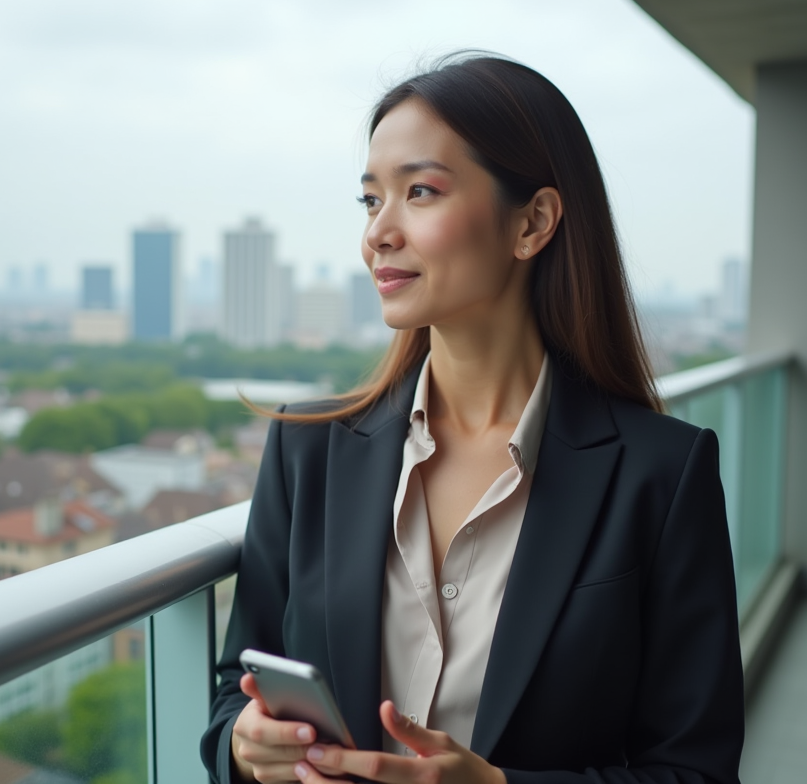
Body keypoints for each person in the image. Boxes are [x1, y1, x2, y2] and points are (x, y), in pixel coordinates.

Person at [201, 53, 744, 784]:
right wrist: (245, 745)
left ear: (533, 222)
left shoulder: (663, 475)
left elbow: (696, 771)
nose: (378, 233)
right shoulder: (308, 451)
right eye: (370, 200)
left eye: (420, 192)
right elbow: (236, 688)